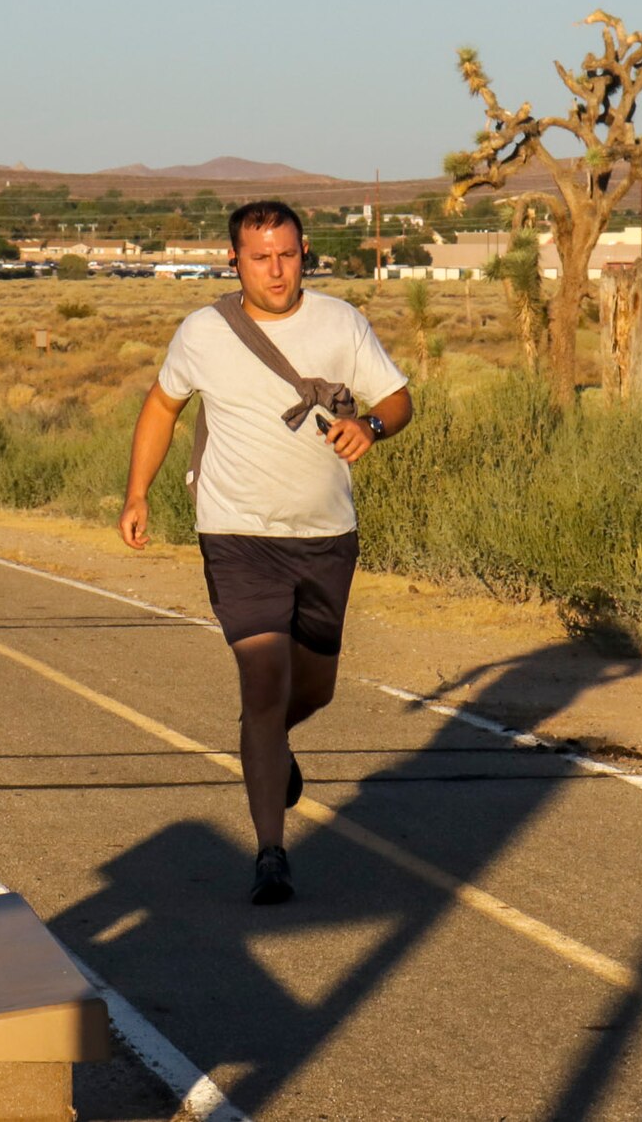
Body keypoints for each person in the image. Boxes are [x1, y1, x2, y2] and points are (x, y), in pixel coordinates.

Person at [119, 201, 412, 904]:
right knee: (262, 679)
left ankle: (265, 743)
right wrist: (137, 494)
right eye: (260, 257)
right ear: (235, 261)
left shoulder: (342, 322)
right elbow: (163, 407)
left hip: (324, 536)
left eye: (287, 254)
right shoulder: (204, 333)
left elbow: (399, 398)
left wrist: (370, 425)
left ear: (304, 251)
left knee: (311, 689)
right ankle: (271, 851)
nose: (276, 270)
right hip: (237, 534)